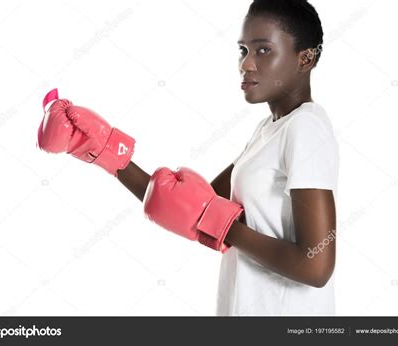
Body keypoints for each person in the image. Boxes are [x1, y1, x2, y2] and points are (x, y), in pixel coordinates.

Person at [37, 0, 339, 316]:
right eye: (243, 50)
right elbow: (190, 206)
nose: (246, 64)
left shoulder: (306, 127)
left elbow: (315, 266)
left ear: (305, 57)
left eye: (263, 50)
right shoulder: (270, 130)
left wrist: (223, 224)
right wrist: (102, 149)